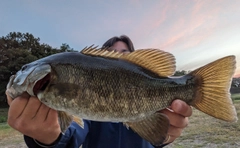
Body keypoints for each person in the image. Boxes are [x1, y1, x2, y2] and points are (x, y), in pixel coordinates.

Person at [6, 35, 192, 148]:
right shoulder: (85, 116)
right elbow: (71, 132)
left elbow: (156, 135)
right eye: (110, 52)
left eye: (125, 54)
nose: (117, 56)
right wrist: (47, 138)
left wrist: (166, 136)